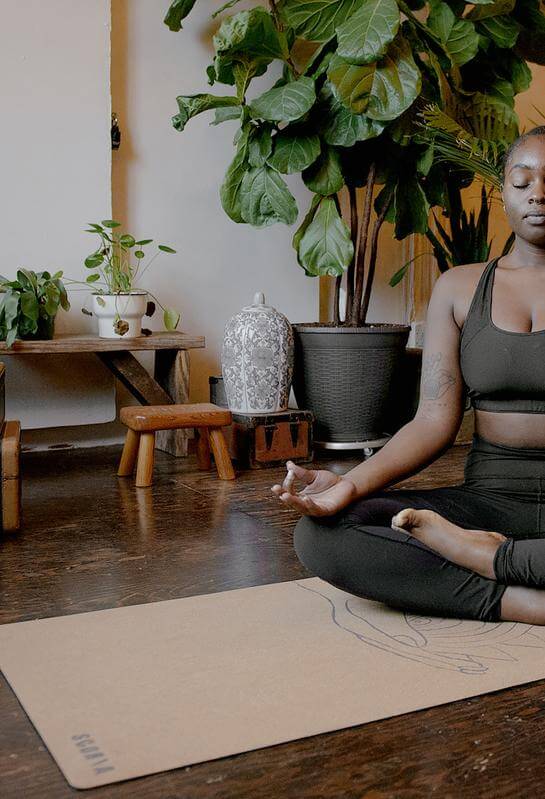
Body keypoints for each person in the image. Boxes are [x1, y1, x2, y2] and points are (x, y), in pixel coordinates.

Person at [271, 126, 545, 626]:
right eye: (523, 181)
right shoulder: (459, 288)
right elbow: (433, 422)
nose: (539, 195)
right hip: (490, 501)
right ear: (503, 192)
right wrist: (347, 486)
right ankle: (522, 600)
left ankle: (488, 561)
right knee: (323, 534)